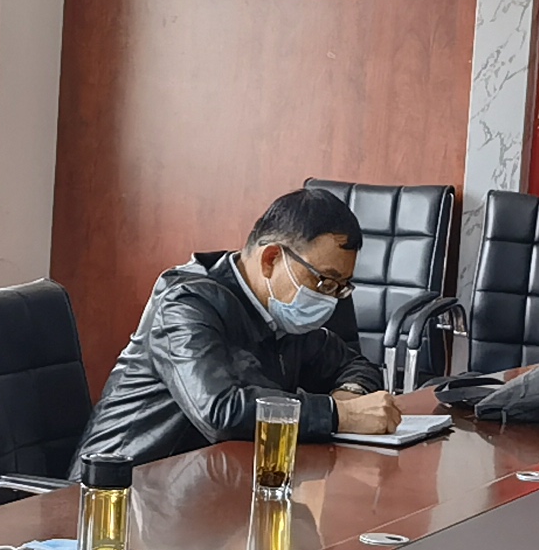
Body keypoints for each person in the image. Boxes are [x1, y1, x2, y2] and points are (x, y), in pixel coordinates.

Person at [77, 188, 403, 474]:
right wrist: (338, 415)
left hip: (210, 490)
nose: (329, 298)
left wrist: (349, 395)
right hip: (121, 495)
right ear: (271, 259)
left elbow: (354, 364)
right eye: (324, 281)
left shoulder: (285, 314)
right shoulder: (187, 304)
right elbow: (220, 410)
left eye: (340, 287)